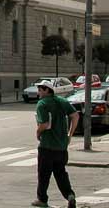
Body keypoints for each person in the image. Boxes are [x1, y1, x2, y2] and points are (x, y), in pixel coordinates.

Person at [32, 80, 79, 208]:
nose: (38, 92)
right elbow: (75, 116)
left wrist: (38, 133)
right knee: (61, 173)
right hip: (62, 147)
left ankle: (42, 199)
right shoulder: (62, 101)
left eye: (40, 89)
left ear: (47, 90)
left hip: (47, 146)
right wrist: (70, 134)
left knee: (43, 174)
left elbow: (44, 124)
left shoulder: (42, 104)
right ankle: (70, 195)